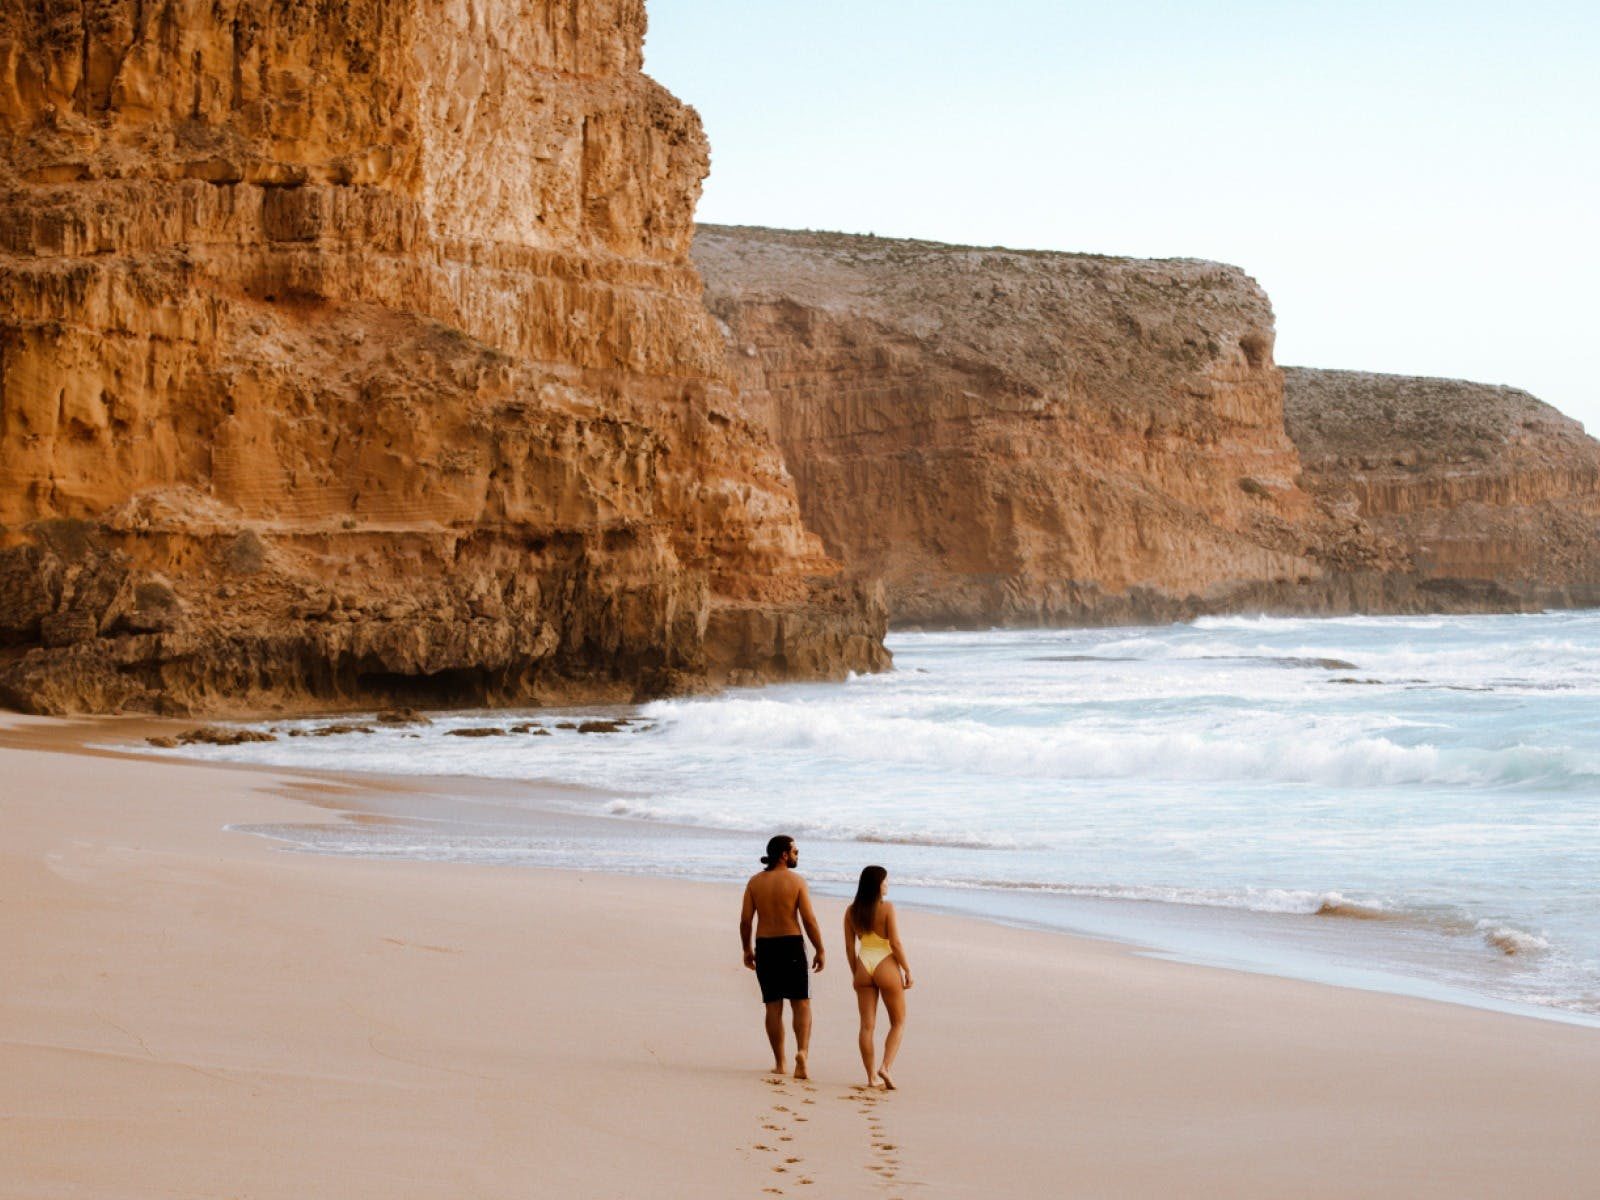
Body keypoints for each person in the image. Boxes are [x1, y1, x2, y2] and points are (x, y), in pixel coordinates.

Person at [740, 835, 825, 1079]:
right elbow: (809, 919)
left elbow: (746, 921)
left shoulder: (755, 882)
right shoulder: (796, 881)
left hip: (765, 946)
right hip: (792, 945)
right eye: (796, 851)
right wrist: (820, 948)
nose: (798, 855)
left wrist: (747, 949)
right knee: (801, 1003)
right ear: (784, 855)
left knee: (773, 1006)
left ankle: (780, 1063)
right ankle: (803, 1054)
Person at [843, 864, 913, 1090]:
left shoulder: (851, 911)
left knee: (866, 1026)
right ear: (877, 885)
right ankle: (885, 1067)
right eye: (885, 881)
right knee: (899, 1021)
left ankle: (871, 1077)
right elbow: (895, 943)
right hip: (885, 965)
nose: (887, 884)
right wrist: (907, 969)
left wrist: (856, 974)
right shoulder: (887, 908)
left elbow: (848, 948)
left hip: (863, 965)